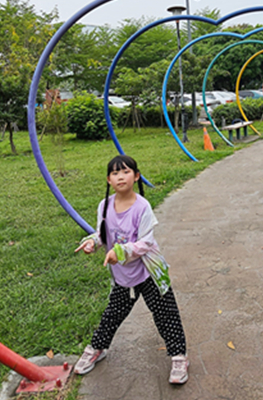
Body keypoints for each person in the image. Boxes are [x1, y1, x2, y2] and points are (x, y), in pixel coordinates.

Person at [73, 154, 189, 384]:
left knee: (166, 315)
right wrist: (93, 243)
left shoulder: (142, 207)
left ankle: (179, 356)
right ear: (108, 180)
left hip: (149, 274)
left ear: (136, 176)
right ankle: (98, 348)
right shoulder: (104, 206)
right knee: (113, 314)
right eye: (115, 173)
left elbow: (145, 243)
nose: (120, 176)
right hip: (124, 276)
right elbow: (102, 234)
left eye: (125, 171)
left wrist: (120, 252)